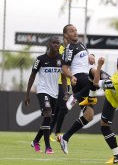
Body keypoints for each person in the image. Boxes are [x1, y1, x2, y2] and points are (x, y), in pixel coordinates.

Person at [57, 24, 97, 154]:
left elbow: (86, 58)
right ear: (66, 35)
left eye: (75, 30)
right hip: (80, 79)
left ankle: (65, 137)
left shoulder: (81, 44)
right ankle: (75, 96)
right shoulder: (69, 49)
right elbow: (64, 69)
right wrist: (71, 76)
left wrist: (91, 55)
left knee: (89, 115)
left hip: (85, 82)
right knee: (98, 79)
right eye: (71, 31)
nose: (75, 32)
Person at [24, 36, 67, 154]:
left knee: (48, 119)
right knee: (47, 113)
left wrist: (66, 92)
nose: (56, 45)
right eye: (54, 43)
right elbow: (32, 76)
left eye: (58, 43)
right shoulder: (40, 59)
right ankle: (48, 147)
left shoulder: (61, 59)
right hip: (42, 91)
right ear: (49, 44)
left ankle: (36, 141)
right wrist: (27, 95)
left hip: (54, 93)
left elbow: (63, 77)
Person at [49, 37, 71, 141]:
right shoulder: (61, 49)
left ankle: (49, 132)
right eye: (66, 39)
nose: (68, 41)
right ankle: (57, 132)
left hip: (67, 83)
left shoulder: (74, 50)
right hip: (59, 82)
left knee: (58, 110)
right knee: (64, 108)